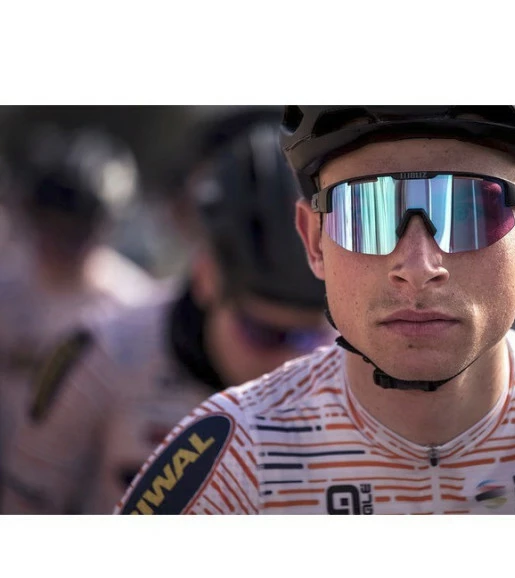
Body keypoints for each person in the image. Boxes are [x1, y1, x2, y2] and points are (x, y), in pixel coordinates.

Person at [113, 105, 515, 516]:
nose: (418, 268)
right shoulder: (237, 454)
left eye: (468, 210)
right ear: (314, 242)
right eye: (365, 214)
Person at [1, 107, 333, 514]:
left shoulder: (354, 372)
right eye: (263, 333)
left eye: (311, 338)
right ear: (206, 278)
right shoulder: (103, 355)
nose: (289, 360)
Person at [0, 124, 159, 478]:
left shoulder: (134, 306)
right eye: (50, 226)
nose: (61, 243)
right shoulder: (7, 290)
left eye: (76, 231)